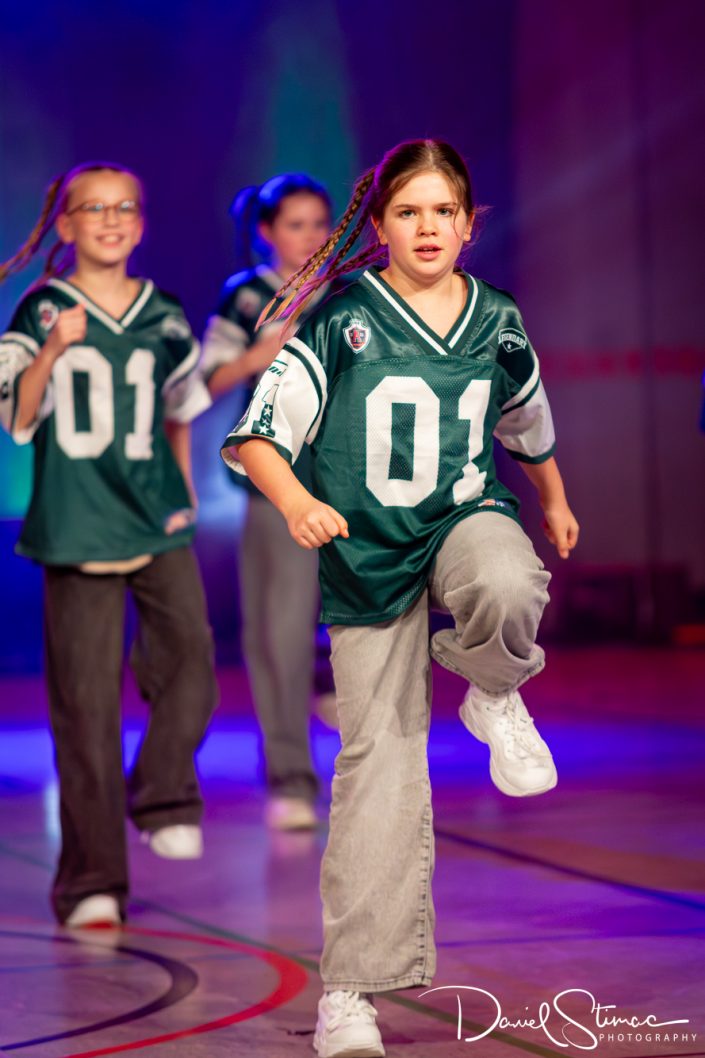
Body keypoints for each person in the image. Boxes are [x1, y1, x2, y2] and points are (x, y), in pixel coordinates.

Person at [221, 139, 579, 1057]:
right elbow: (258, 436)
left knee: (507, 577)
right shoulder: (341, 316)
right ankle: (350, 993)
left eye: (443, 211)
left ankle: (493, 690)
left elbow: (526, 422)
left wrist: (552, 500)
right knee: (376, 768)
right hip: (365, 556)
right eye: (408, 212)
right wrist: (297, 503)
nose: (427, 227)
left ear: (468, 224)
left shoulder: (497, 319)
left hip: (461, 519)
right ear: (378, 225)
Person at [0, 162, 218, 928]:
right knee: (85, 707)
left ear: (141, 221)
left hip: (155, 515)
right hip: (76, 523)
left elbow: (181, 409)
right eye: (94, 208)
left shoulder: (164, 313)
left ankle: (161, 795)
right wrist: (51, 352)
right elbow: (16, 420)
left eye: (125, 206)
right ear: (65, 225)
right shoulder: (40, 309)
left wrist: (185, 490)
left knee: (191, 656)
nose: (111, 219)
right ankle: (91, 880)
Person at [202, 174, 341, 831]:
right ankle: (290, 777)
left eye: (320, 223)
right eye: (295, 225)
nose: (310, 237)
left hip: (356, 480)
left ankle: (338, 695)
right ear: (266, 232)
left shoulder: (350, 292)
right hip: (279, 485)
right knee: (278, 637)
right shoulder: (248, 296)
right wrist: (263, 351)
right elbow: (204, 380)